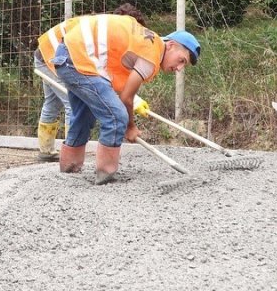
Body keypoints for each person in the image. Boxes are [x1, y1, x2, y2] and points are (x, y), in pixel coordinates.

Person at [48, 12, 201, 184]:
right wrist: (130, 127)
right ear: (171, 45)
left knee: (85, 114)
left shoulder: (147, 41)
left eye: (183, 65)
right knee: (116, 116)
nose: (179, 68)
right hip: (78, 59)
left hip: (70, 55)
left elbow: (124, 91)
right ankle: (106, 174)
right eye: (181, 60)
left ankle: (69, 167)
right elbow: (127, 99)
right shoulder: (151, 53)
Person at [33, 4, 147, 161]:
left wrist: (133, 98)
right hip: (54, 55)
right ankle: (73, 151)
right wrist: (131, 98)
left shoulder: (102, 26)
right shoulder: (106, 33)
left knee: (52, 103)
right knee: (73, 102)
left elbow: (102, 74)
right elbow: (98, 74)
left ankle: (46, 151)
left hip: (45, 50)